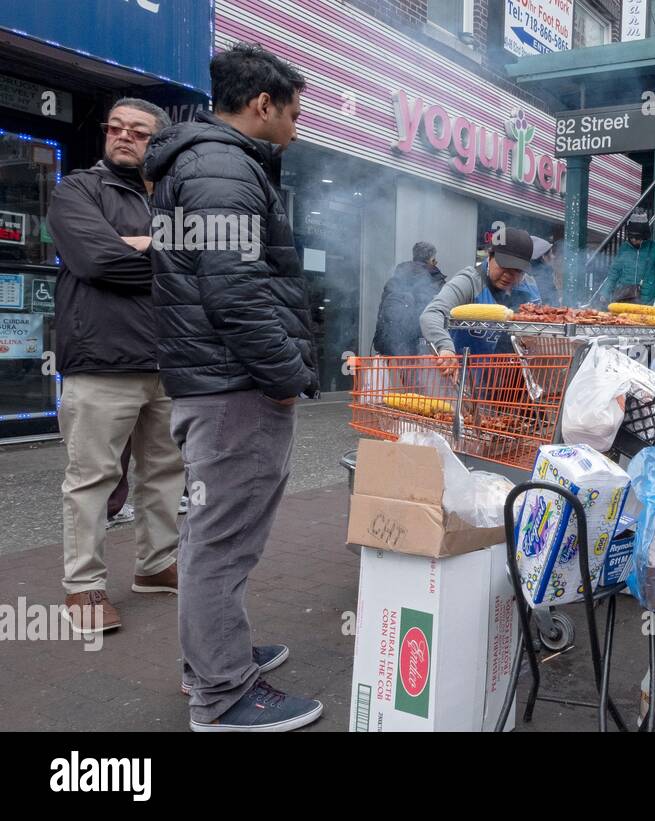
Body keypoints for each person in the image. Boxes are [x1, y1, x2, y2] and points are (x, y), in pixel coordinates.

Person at [145, 43, 321, 732]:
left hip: (216, 381)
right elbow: (236, 294)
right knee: (222, 539)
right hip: (234, 387)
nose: (296, 129)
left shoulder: (205, 162)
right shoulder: (222, 167)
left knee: (212, 533)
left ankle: (213, 658)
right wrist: (285, 377)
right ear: (261, 104)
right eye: (293, 115)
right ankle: (221, 694)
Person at [47, 97, 187, 637]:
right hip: (101, 359)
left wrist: (146, 248)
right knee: (93, 479)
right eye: (116, 128)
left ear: (160, 142)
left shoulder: (175, 197)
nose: (123, 136)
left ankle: (156, 566)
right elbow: (97, 261)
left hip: (169, 361)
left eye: (139, 132)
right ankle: (83, 585)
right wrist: (167, 259)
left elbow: (207, 266)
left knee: (166, 473)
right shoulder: (77, 189)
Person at [420, 226, 538, 358]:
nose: (509, 275)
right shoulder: (469, 281)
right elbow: (432, 313)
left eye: (517, 270)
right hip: (463, 368)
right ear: (490, 256)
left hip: (510, 369)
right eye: (504, 266)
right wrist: (445, 347)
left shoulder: (529, 288)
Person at [372, 241, 444, 356]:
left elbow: (382, 313)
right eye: (434, 261)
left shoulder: (394, 280)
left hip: (390, 344)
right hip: (420, 348)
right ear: (431, 260)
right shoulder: (434, 281)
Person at [600, 211, 655, 305]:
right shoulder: (624, 248)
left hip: (648, 300)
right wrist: (605, 293)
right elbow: (614, 272)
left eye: (637, 237)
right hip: (624, 298)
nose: (633, 239)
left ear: (645, 235)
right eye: (631, 236)